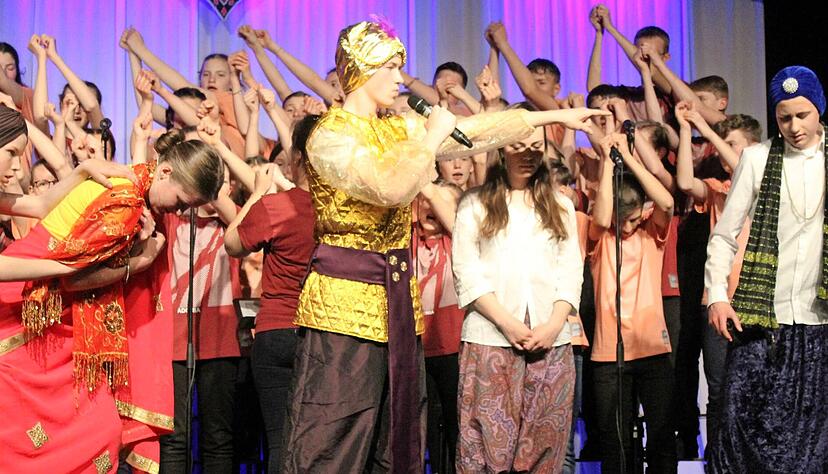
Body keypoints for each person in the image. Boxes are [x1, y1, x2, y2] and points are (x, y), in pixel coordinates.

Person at [279, 18, 606, 473]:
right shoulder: (331, 134)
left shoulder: (397, 127)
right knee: (332, 437)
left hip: (397, 305)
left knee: (396, 439)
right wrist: (431, 135)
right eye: (389, 68)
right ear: (361, 69)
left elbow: (477, 133)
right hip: (341, 308)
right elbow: (390, 186)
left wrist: (551, 117)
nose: (399, 78)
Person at [0, 106, 225, 471]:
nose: (17, 168)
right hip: (22, 318)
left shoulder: (130, 191)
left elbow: (39, 205)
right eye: (11, 153)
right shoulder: (126, 202)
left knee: (82, 433)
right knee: (86, 434)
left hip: (37, 313)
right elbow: (73, 277)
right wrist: (135, 264)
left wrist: (81, 170)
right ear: (165, 171)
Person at [705, 65, 828, 473]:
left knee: (810, 446)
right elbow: (724, 235)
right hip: (762, 320)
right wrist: (717, 296)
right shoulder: (757, 159)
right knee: (739, 425)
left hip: (819, 322)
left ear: (819, 109)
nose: (794, 127)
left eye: (802, 115)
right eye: (784, 117)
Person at [452, 103, 583, 472]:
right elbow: (467, 271)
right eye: (517, 146)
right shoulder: (474, 203)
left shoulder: (560, 205)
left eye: (535, 147)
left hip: (550, 339)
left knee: (545, 447)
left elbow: (570, 269)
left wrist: (555, 323)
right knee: (486, 448)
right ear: (501, 149)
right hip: (491, 337)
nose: (527, 155)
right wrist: (507, 323)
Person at [224, 114, 319, 471]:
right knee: (323, 441)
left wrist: (259, 192)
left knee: (281, 440)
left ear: (297, 160)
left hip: (276, 332)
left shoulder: (277, 206)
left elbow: (232, 242)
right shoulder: (341, 212)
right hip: (323, 335)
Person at [589, 131, 677, 474]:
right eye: (622, 219)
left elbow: (666, 203)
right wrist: (607, 165)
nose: (628, 226)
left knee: (661, 437)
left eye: (634, 218)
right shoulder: (600, 237)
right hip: (609, 353)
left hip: (652, 347)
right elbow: (600, 218)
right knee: (616, 442)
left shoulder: (651, 232)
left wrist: (628, 158)